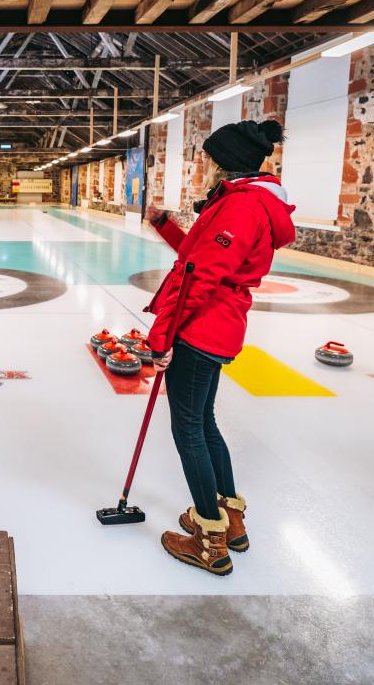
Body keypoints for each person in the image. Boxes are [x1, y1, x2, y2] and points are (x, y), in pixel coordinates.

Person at [143, 119, 295, 576]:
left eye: (208, 158)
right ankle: (230, 522)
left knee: (188, 429)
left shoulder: (241, 208)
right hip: (218, 325)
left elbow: (199, 278)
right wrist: (166, 226)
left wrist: (162, 336)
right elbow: (199, 253)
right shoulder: (248, 202)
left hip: (201, 327)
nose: (204, 165)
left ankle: (209, 539)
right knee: (203, 422)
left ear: (223, 163)